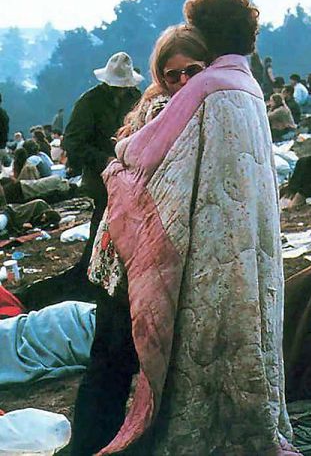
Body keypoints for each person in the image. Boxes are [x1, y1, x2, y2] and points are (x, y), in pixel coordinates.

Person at [95, 0, 297, 455]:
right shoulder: (249, 85)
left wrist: (121, 148)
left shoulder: (208, 85)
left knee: (206, 343)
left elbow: (143, 152)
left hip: (212, 239)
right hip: (252, 234)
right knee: (251, 329)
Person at [69, 24, 210, 456]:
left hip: (148, 242)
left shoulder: (151, 103)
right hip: (121, 234)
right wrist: (110, 165)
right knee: (112, 351)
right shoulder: (145, 110)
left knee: (135, 353)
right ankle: (90, 443)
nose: (184, 82)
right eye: (173, 75)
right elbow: (77, 147)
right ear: (159, 76)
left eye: (193, 72)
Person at [62, 52, 142, 271]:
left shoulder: (135, 97)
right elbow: (73, 142)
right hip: (100, 175)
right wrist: (104, 159)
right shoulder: (89, 103)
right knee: (103, 221)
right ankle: (93, 268)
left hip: (130, 172)